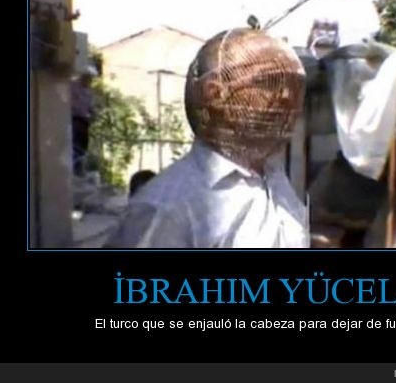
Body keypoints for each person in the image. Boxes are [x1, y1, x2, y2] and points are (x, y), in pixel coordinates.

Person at [105, 27, 308, 248]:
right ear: (215, 94)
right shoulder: (166, 208)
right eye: (268, 83)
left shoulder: (274, 178)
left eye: (293, 87)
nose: (287, 97)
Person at [71, 66, 97, 176]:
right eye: (89, 78)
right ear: (83, 76)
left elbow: (90, 106)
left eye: (91, 78)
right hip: (74, 119)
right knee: (75, 145)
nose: (90, 81)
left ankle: (79, 168)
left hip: (84, 121)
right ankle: (74, 168)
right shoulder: (72, 86)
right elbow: (71, 104)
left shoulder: (88, 91)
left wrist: (93, 113)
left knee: (83, 145)